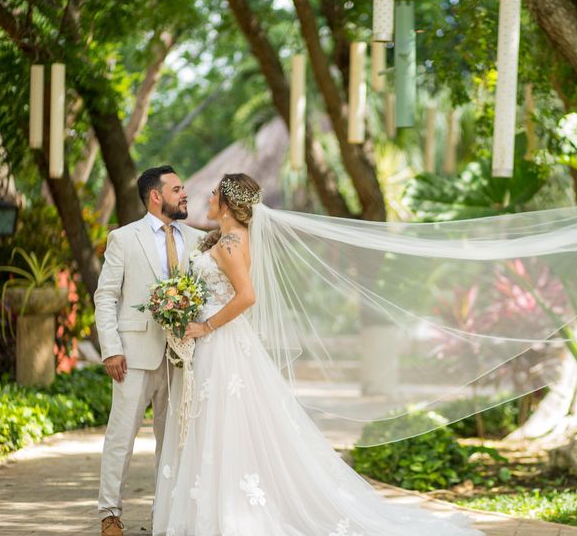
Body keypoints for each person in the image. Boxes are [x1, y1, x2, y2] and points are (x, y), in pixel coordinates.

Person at [152, 173, 483, 536]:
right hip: (225, 344)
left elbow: (247, 296)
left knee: (222, 422)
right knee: (225, 423)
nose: (209, 197)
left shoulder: (231, 243)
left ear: (228, 204)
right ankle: (219, 508)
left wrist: (206, 325)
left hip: (222, 342)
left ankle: (227, 515)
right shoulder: (231, 238)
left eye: (215, 193)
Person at [94, 166, 206, 536]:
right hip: (133, 355)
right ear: (156, 196)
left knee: (173, 440)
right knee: (121, 436)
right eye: (177, 189)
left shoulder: (195, 238)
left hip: (181, 358)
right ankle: (110, 513)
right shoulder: (124, 239)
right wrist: (110, 349)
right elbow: (106, 296)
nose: (184, 194)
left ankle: (165, 513)